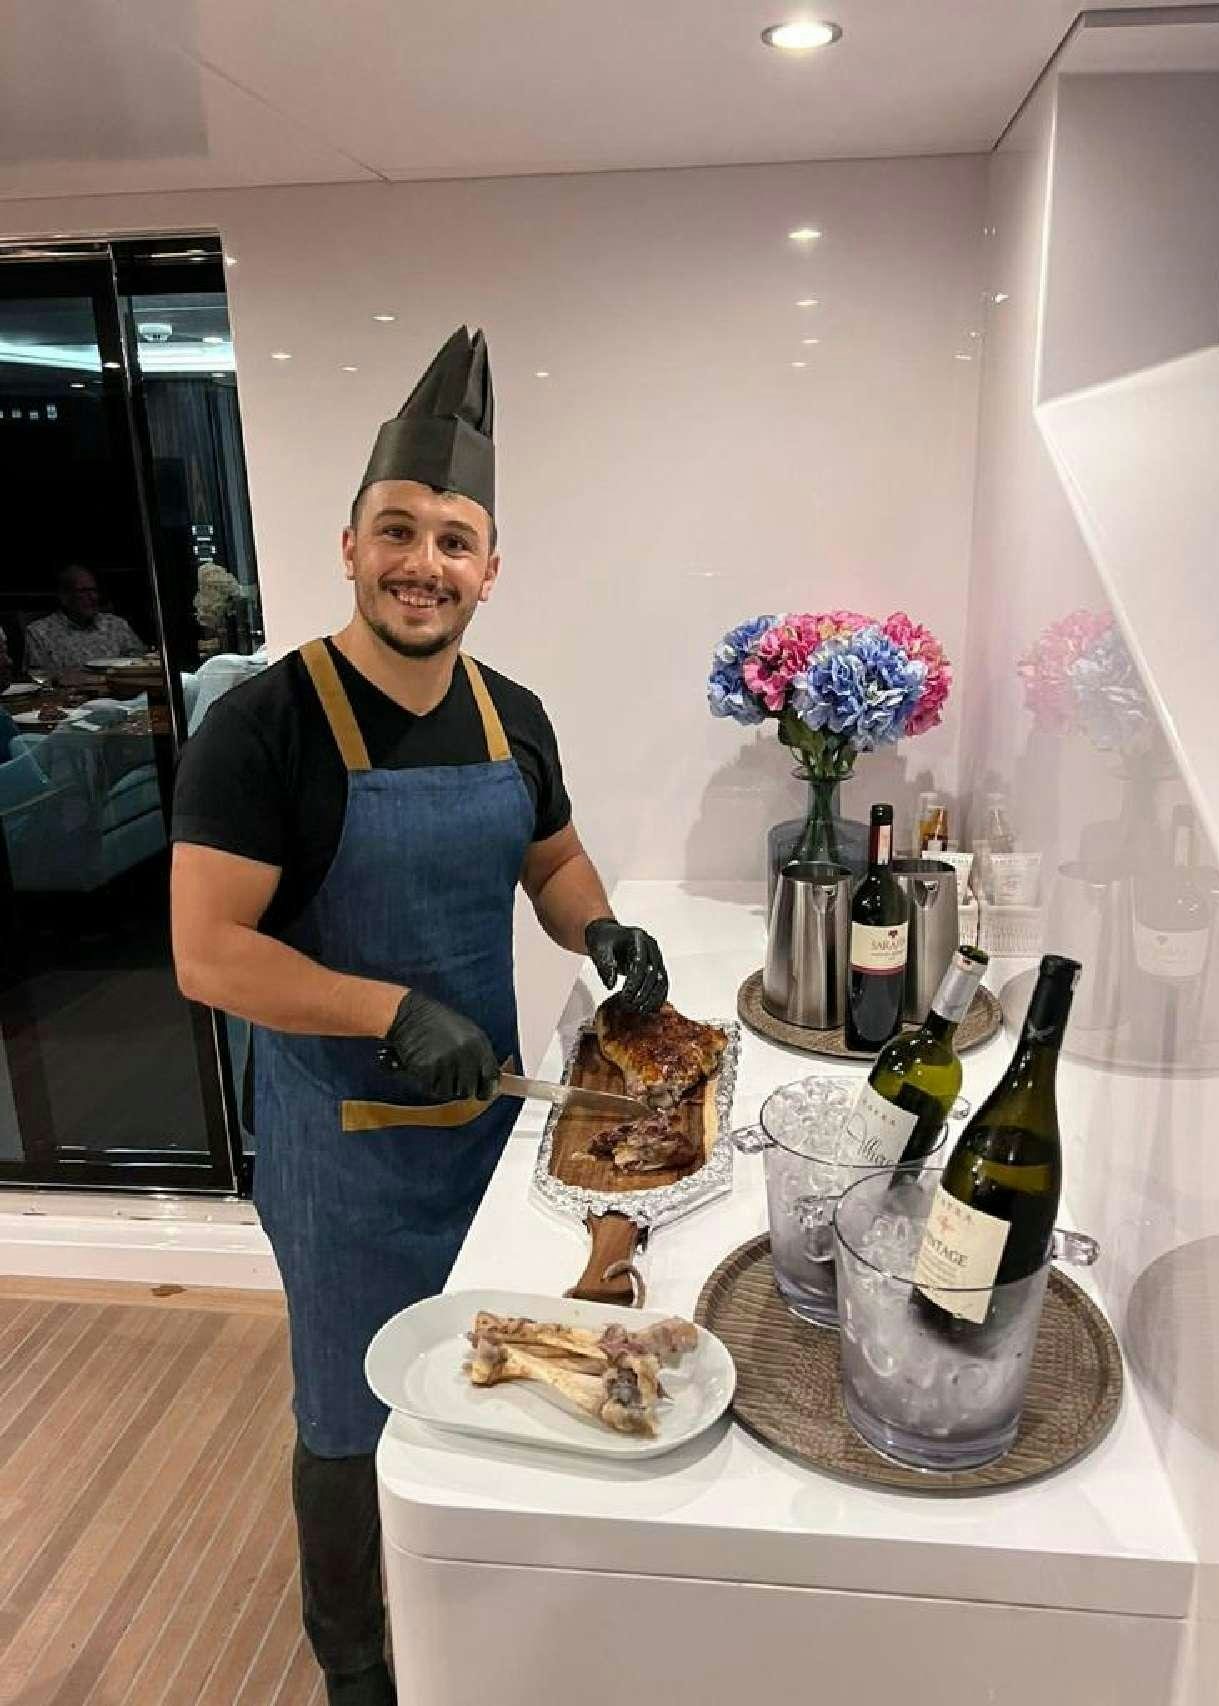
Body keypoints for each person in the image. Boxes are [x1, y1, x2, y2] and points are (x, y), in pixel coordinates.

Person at [169, 326, 667, 1706]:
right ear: (349, 545)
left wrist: (600, 927)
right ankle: (355, 1662)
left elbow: (553, 863)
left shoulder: (513, 715)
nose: (423, 562)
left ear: (489, 569)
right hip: (345, 1153)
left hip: (492, 1134)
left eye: (454, 540)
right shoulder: (262, 727)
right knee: (346, 1415)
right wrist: (384, 1005)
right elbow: (208, 953)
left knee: (497, 1365)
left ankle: (483, 1608)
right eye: (398, 531)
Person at [23, 565, 146, 680]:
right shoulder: (39, 633)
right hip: (70, 694)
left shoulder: (116, 625)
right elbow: (36, 676)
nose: (92, 597)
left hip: (120, 691)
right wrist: (61, 677)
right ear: (64, 597)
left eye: (94, 591)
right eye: (83, 591)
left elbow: (142, 660)